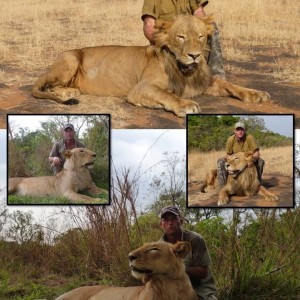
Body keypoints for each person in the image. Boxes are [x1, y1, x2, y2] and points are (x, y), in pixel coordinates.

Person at [141, 0, 226, 79]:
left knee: (211, 26)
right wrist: (161, 43)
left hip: (189, 37)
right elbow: (149, 25)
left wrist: (201, 26)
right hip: (169, 39)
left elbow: (198, 11)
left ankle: (216, 74)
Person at [159, 206, 218, 300]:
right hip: (172, 290)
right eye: (166, 220)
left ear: (181, 221)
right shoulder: (159, 247)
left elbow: (203, 272)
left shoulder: (195, 239)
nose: (170, 223)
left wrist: (176, 268)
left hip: (199, 289)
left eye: (174, 219)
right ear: (161, 224)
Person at [217, 121, 265, 188]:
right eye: (238, 130)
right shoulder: (230, 140)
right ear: (234, 131)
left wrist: (252, 160)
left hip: (246, 160)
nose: (240, 131)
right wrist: (231, 160)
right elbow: (228, 155)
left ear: (244, 131)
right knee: (220, 161)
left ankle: (256, 183)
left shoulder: (250, 138)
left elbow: (256, 153)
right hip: (235, 161)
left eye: (242, 129)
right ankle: (222, 186)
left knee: (261, 161)